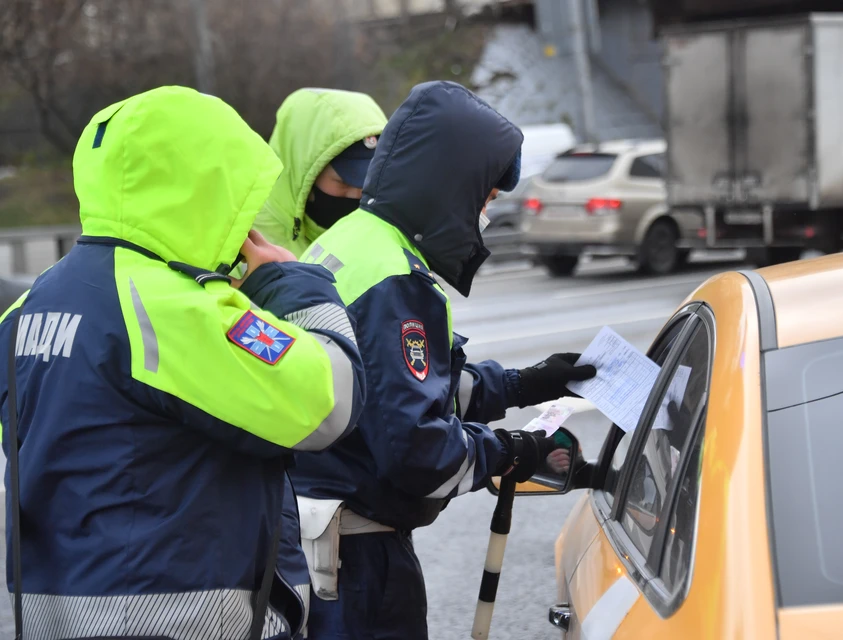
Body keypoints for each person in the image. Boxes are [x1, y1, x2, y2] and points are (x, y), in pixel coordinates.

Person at [0, 86, 365, 639]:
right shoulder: (171, 308)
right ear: (201, 188)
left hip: (57, 617)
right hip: (177, 618)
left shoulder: (28, 308)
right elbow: (330, 402)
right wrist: (293, 282)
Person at [291, 81, 597, 639]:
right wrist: (509, 451)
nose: (484, 214)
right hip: (357, 557)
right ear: (451, 187)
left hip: (320, 540)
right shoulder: (395, 281)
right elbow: (417, 448)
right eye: (485, 198)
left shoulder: (353, 242)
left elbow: (388, 391)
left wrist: (523, 384)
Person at [251, 88, 388, 256]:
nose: (359, 193)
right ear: (303, 172)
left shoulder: (386, 240)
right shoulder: (244, 236)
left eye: (370, 181)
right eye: (344, 182)